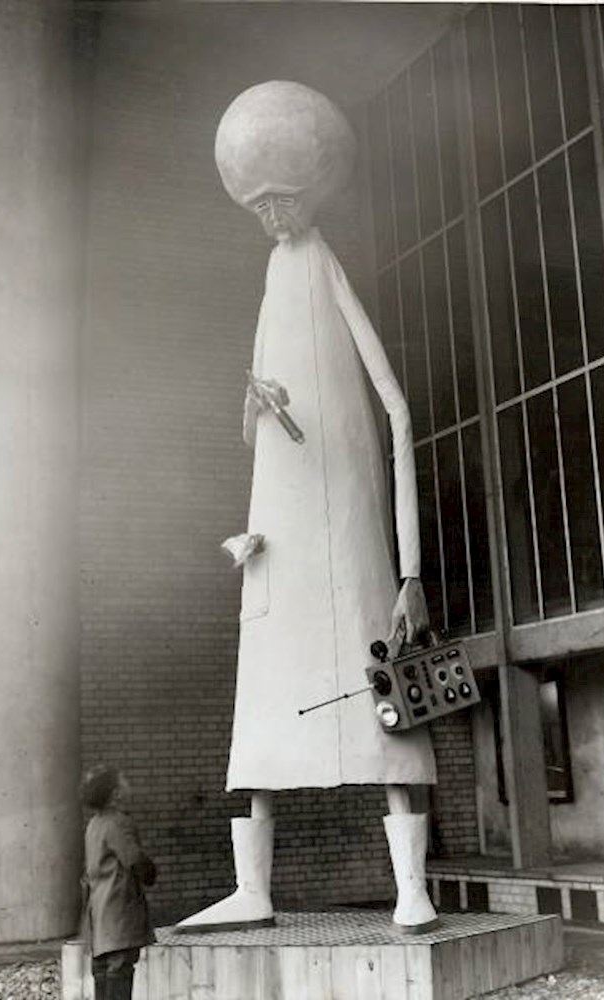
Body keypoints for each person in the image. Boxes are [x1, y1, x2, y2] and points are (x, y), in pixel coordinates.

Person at [175, 81, 439, 936]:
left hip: (354, 540)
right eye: (259, 208)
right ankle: (253, 887)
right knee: (260, 729)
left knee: (385, 707)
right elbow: (254, 420)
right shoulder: (273, 271)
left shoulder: (321, 262)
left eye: (281, 201)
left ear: (307, 194)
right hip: (281, 551)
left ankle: (411, 888)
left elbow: (395, 406)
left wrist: (410, 572)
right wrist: (256, 406)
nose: (274, 220)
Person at [80, 765, 157, 1000]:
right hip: (119, 910)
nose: (128, 785)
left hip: (99, 914)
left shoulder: (94, 825)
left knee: (103, 973)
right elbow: (133, 858)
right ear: (116, 794)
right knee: (120, 971)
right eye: (124, 781)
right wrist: (150, 873)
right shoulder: (118, 822)